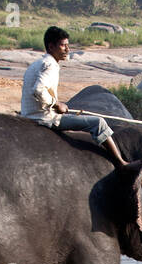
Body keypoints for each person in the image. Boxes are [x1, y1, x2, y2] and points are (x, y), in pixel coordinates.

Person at [21, 26, 131, 168]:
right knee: (98, 123)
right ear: (51, 46)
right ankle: (121, 163)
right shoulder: (50, 65)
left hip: (28, 114)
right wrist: (56, 104)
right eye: (63, 45)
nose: (67, 49)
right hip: (44, 118)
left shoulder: (36, 63)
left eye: (68, 45)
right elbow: (38, 90)